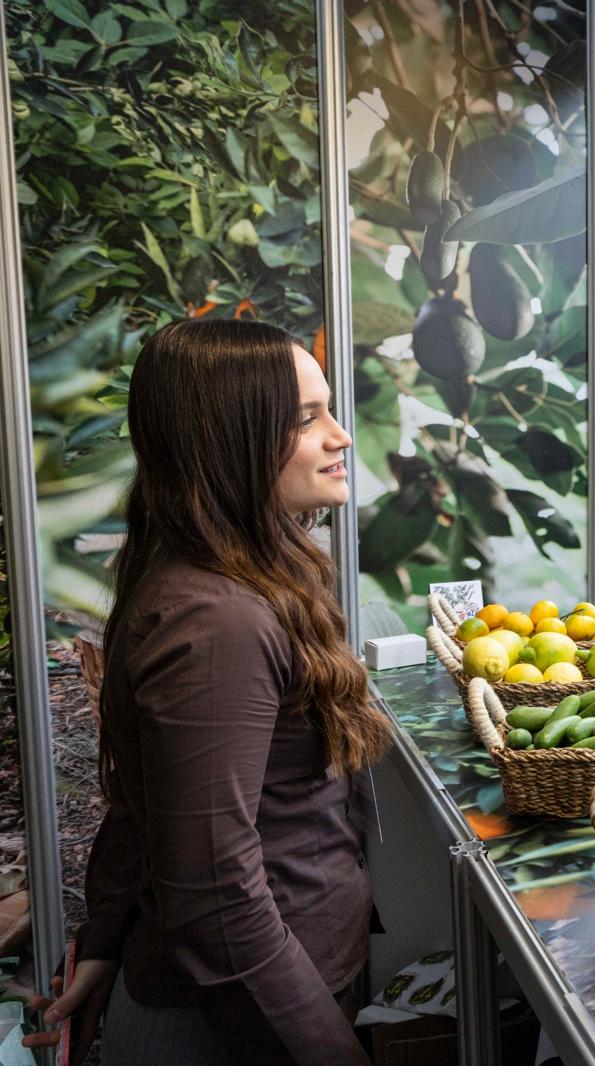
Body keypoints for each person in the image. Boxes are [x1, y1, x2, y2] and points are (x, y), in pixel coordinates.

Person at [24, 319, 391, 1064]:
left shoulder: (234, 579)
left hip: (270, 997)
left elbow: (150, 801)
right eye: (306, 418)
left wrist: (105, 934)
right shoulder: (217, 619)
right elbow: (217, 899)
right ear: (229, 440)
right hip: (234, 1025)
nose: (341, 436)